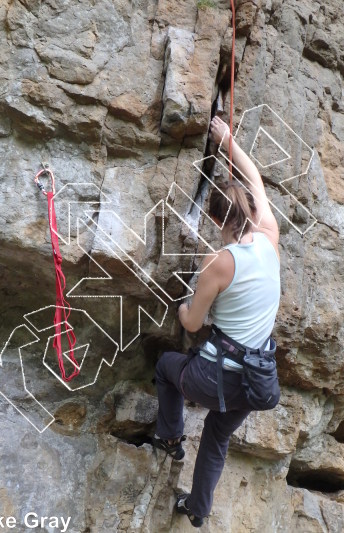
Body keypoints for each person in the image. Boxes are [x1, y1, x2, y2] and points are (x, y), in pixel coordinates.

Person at [152, 116, 281, 528]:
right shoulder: (269, 233)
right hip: (255, 381)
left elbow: (192, 324)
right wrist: (228, 141)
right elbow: (254, 176)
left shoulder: (220, 263)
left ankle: (170, 437)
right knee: (217, 435)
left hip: (214, 378)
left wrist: (180, 310)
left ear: (215, 220)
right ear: (249, 209)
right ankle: (199, 509)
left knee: (167, 368)